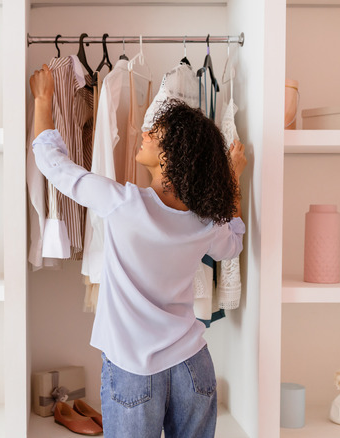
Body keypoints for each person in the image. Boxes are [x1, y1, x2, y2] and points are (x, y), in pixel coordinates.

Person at [30, 64, 247, 438]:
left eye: (154, 134)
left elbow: (54, 165)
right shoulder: (203, 222)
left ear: (170, 157)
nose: (144, 134)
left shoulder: (123, 203)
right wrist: (233, 178)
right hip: (193, 364)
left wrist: (43, 100)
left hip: (134, 369)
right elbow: (233, 242)